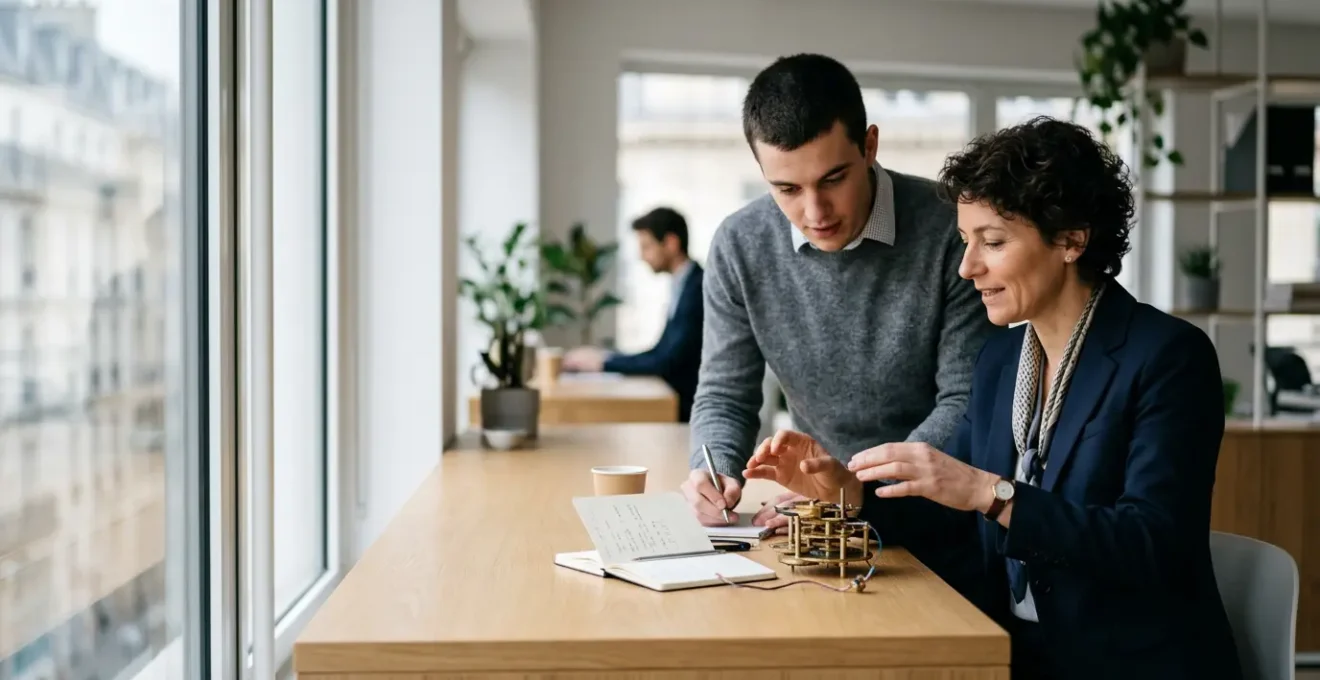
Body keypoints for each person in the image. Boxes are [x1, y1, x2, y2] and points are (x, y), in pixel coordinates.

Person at [744, 116, 1242, 680]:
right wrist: (850, 493)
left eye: (994, 242)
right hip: (1013, 652)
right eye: (965, 241)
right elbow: (951, 512)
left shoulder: (1168, 357)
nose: (967, 266)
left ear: (1072, 239)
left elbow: (1151, 542)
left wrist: (994, 494)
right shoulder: (1002, 359)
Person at [681, 53, 1000, 538]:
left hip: (943, 512)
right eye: (786, 188)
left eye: (833, 179)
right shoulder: (740, 244)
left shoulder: (949, 229)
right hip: (824, 511)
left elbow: (964, 403)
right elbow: (726, 393)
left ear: (870, 145)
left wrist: (854, 491)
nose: (815, 211)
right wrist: (716, 467)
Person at [562, 207, 704, 422]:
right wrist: (605, 358)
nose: (641, 256)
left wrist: (603, 364)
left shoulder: (698, 288)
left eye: (647, 247)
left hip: (687, 411)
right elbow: (660, 352)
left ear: (671, 243)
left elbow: (668, 362)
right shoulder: (683, 285)